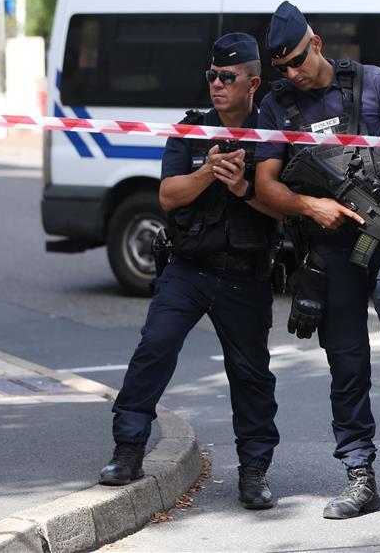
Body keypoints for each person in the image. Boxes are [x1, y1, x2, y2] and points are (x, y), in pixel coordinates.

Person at [254, 1, 380, 525]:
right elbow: (264, 185)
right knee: (346, 368)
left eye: (298, 60)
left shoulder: (370, 83)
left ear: (316, 42)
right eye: (282, 67)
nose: (292, 73)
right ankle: (359, 476)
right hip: (331, 254)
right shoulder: (277, 106)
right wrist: (310, 205)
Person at [99, 33, 280, 510]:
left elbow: (284, 210)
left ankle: (255, 471)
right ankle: (128, 450)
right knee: (154, 349)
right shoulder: (191, 131)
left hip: (245, 274)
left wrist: (242, 187)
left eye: (227, 77)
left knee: (251, 376)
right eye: (212, 76)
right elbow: (167, 196)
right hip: (189, 268)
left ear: (253, 83)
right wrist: (208, 171)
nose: (217, 85)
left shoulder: (275, 132)